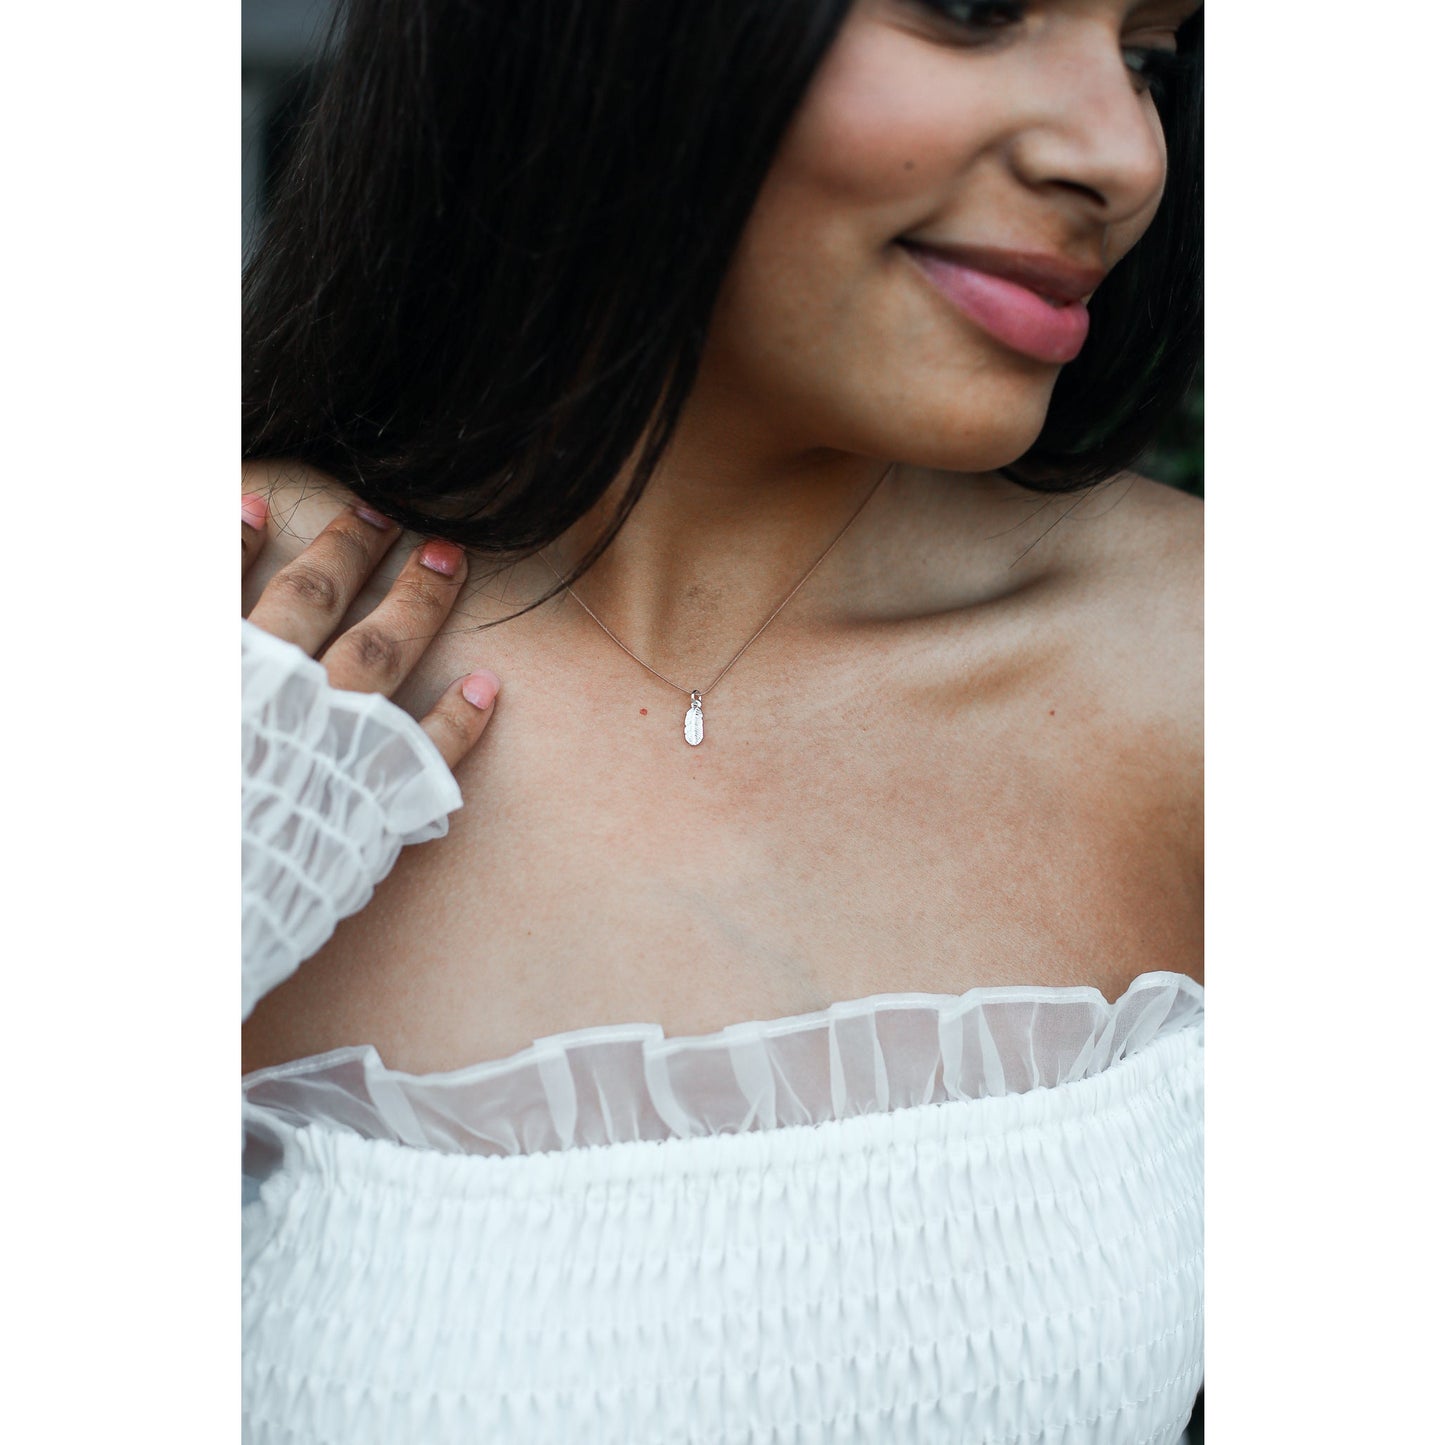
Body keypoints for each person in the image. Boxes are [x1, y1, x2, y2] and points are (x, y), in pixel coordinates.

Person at [240, 1, 1204, 1441]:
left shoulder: (1211, 667)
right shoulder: (232, 644)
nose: (1118, 155)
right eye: (971, 8)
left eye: (1145, 53)